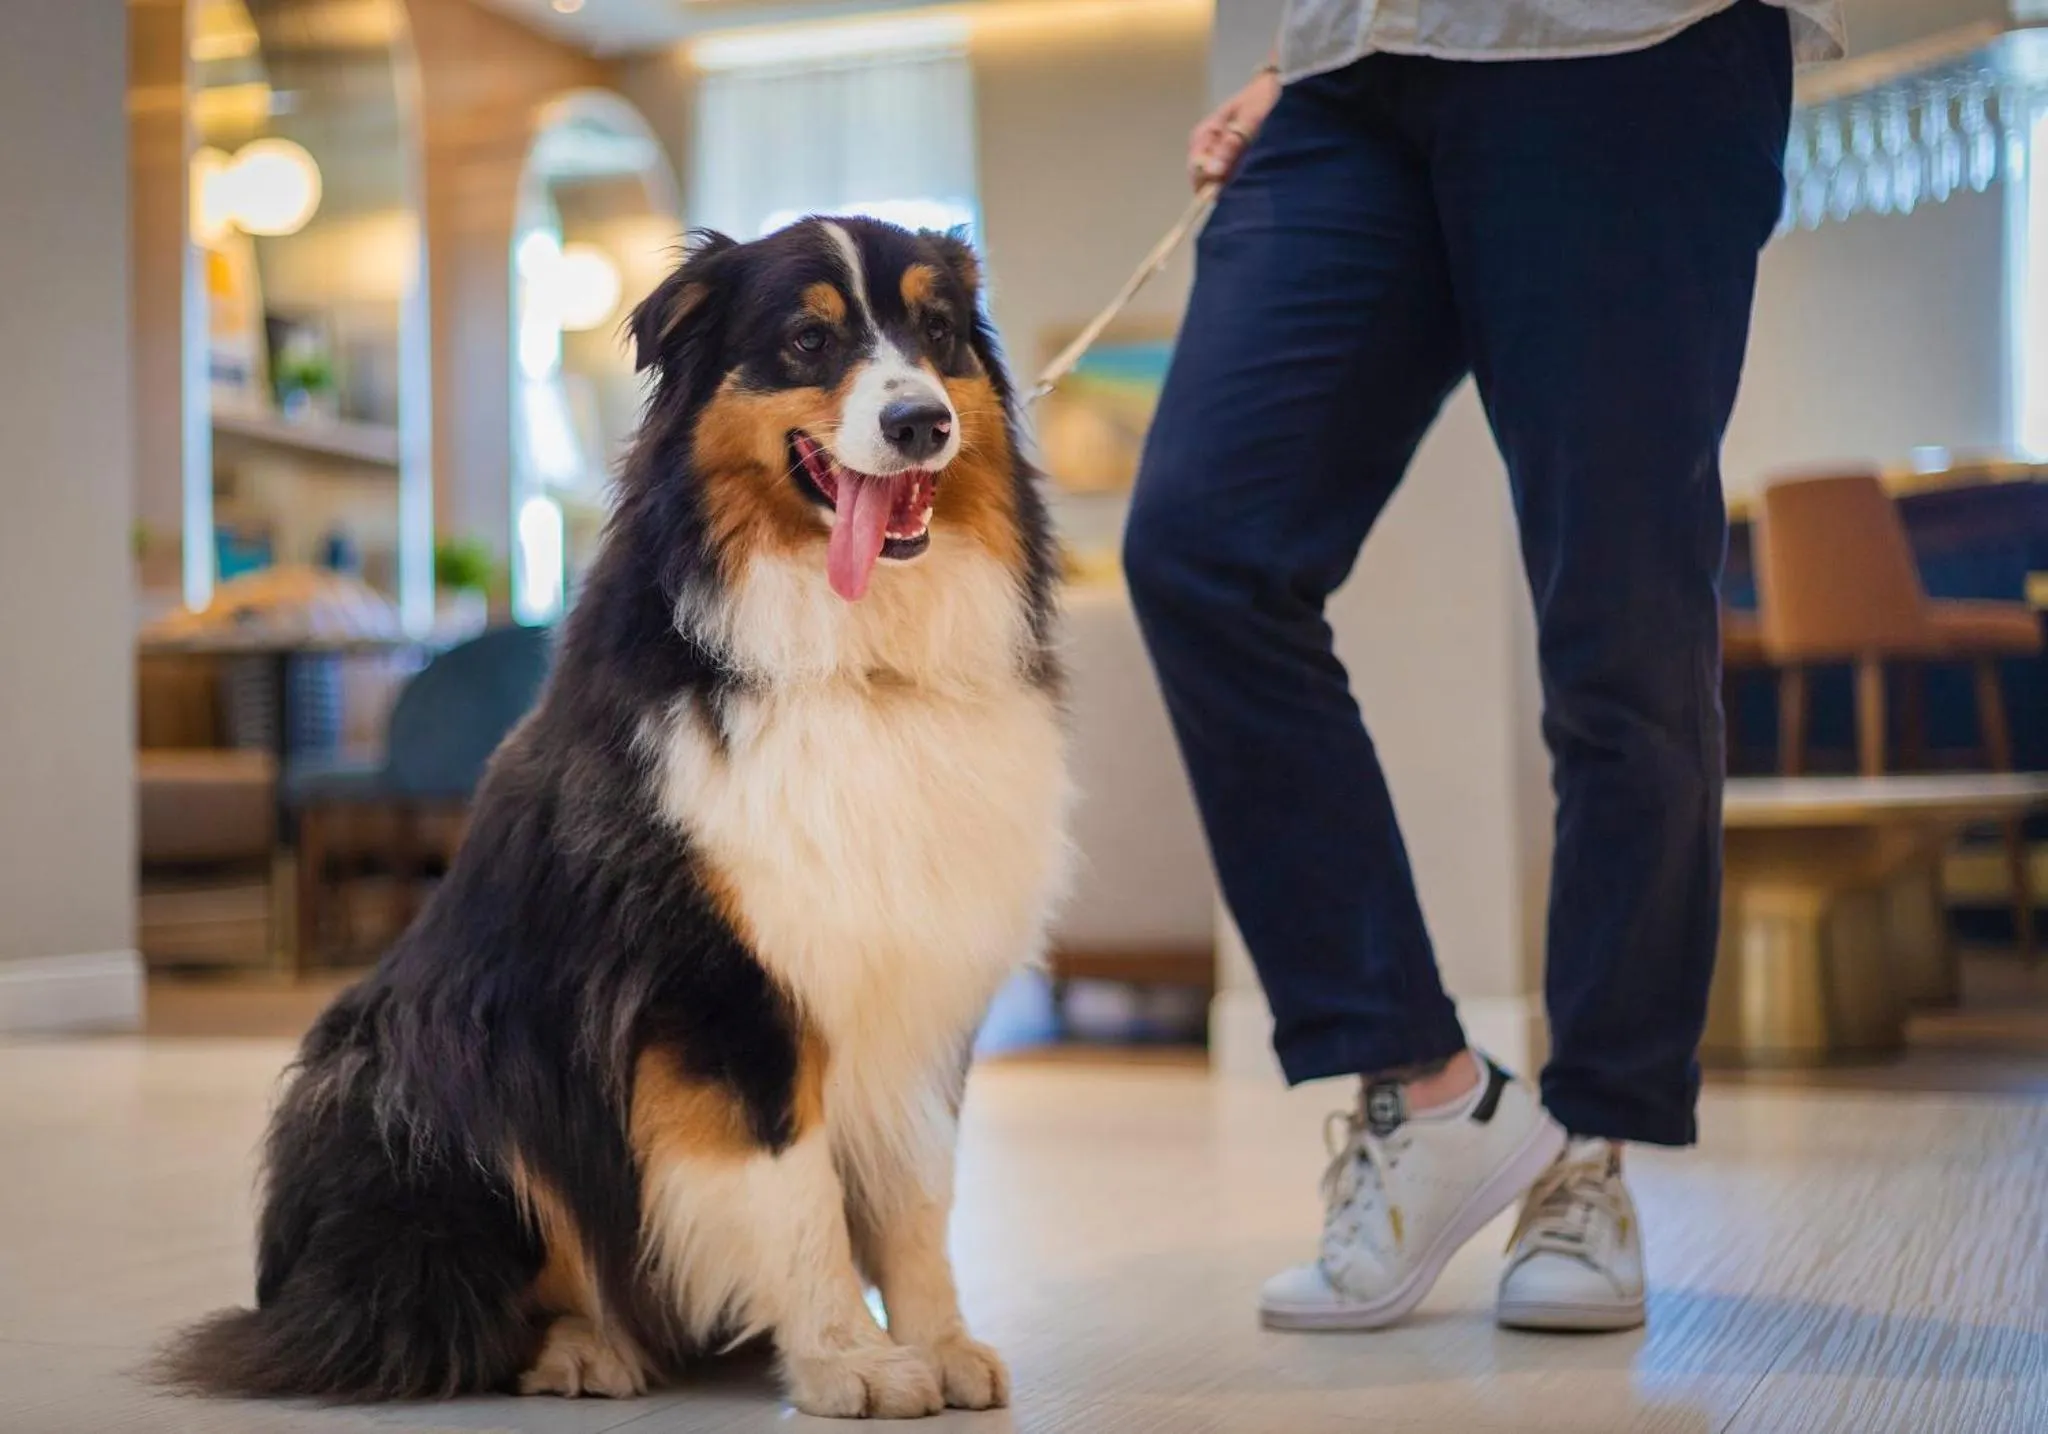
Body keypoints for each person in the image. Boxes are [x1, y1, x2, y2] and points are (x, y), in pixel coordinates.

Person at [1124, 0, 1843, 1333]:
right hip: (1358, 63)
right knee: (1200, 549)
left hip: (1630, 51)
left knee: (1618, 634)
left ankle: (1589, 1150)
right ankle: (1425, 1085)